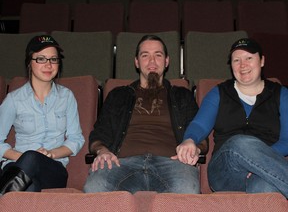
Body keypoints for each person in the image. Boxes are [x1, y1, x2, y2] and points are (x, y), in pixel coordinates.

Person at [83, 35, 207, 194]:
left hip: (172, 164)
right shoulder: (118, 95)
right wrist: (102, 151)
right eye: (145, 55)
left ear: (167, 61)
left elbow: (201, 137)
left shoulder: (182, 96)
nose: (152, 61)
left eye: (158, 55)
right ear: (136, 62)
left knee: (187, 188)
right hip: (122, 164)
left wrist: (194, 148)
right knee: (95, 186)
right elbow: (98, 135)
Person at [183, 38, 288, 198]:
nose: (242, 65)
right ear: (231, 66)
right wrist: (189, 139)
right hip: (224, 171)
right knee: (240, 142)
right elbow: (199, 125)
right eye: (236, 60)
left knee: (264, 187)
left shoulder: (281, 94)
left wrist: (259, 163)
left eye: (249, 58)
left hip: (265, 171)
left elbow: (287, 140)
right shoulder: (219, 92)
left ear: (262, 61)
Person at [0, 35, 85, 194]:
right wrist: (21, 157)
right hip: (17, 164)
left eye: (54, 59)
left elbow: (76, 139)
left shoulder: (66, 97)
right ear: (29, 63)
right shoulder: (14, 100)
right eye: (41, 59)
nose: (48, 65)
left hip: (53, 169)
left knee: (32, 158)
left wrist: (51, 153)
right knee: (30, 186)